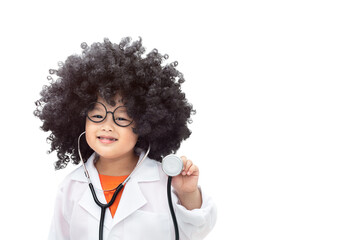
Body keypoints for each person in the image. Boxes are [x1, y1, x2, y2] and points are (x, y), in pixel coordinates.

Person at [34, 37, 217, 240]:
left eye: (121, 117)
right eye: (96, 116)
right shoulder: (70, 187)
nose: (107, 126)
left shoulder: (166, 181)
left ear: (144, 123)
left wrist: (188, 193)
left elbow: (199, 229)